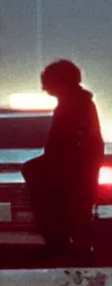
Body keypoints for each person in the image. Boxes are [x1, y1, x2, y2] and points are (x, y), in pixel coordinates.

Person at [22, 60, 104, 266]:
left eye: (48, 82)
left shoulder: (73, 105)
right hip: (76, 171)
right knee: (77, 215)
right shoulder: (80, 103)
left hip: (71, 173)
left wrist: (47, 167)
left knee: (71, 214)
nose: (44, 88)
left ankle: (65, 251)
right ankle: (74, 252)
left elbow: (65, 144)